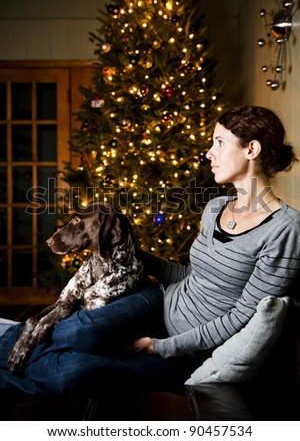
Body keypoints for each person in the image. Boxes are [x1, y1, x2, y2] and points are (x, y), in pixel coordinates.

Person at [0, 105, 300, 401]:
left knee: (70, 373)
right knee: (73, 334)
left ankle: (15, 363)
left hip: (183, 351)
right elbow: (190, 276)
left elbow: (241, 318)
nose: (209, 152)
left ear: (252, 150)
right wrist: (124, 251)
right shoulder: (215, 208)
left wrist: (160, 347)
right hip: (157, 301)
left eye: (219, 143)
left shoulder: (285, 229)